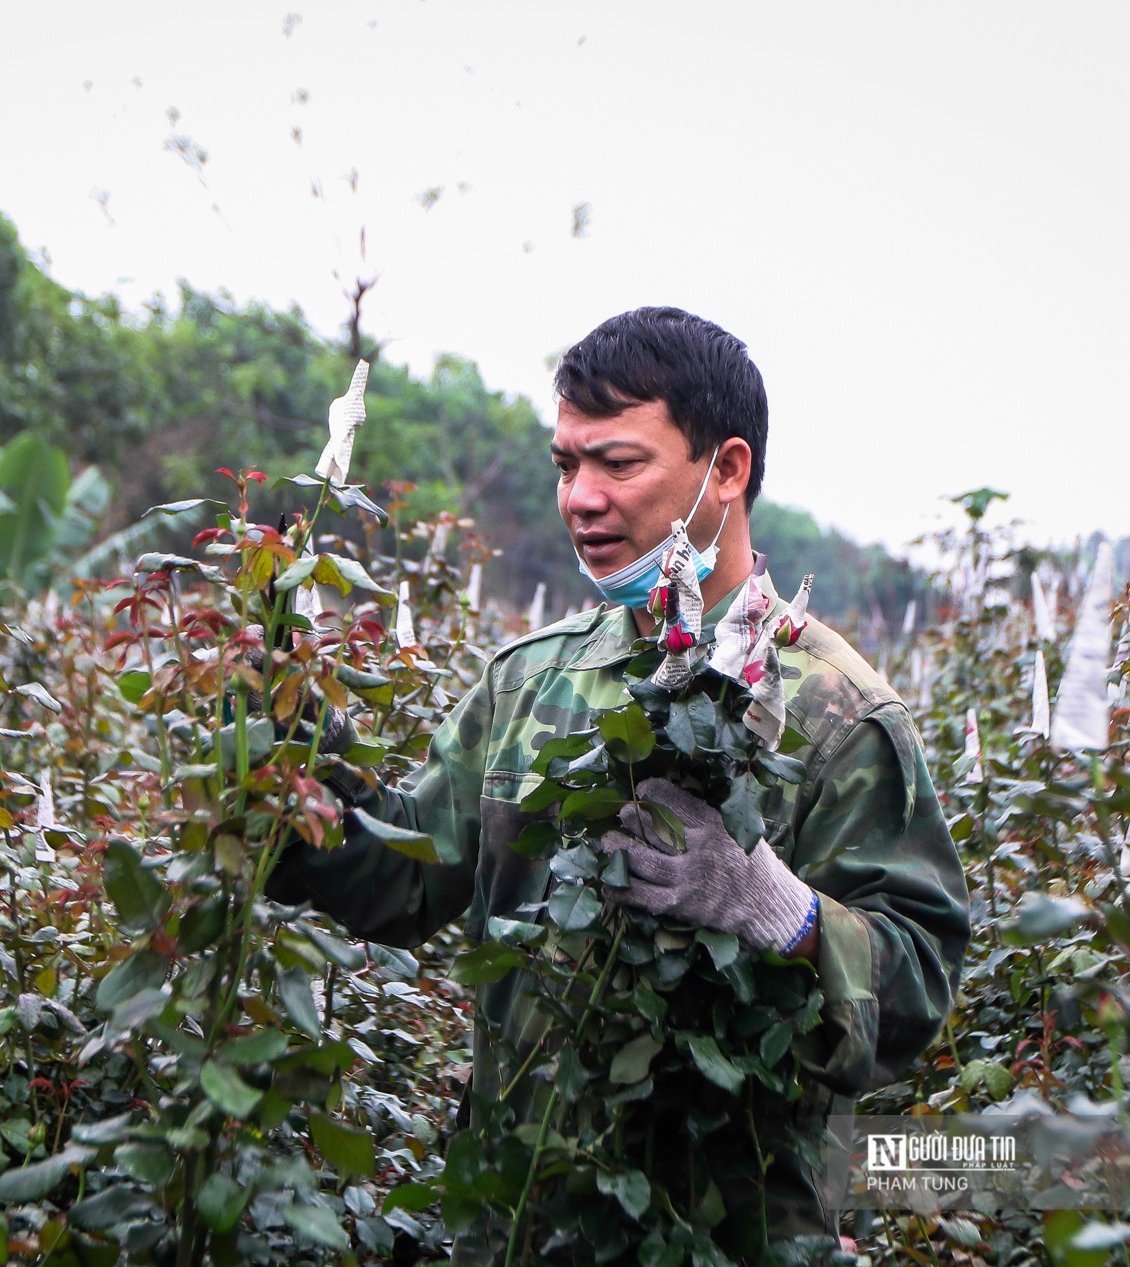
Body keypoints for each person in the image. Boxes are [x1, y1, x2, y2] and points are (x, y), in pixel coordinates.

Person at [268, 306, 970, 1262]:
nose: (581, 499)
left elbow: (918, 986)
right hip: (515, 1225)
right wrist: (294, 758)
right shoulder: (531, 684)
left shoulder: (837, 715)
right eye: (566, 466)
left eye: (618, 463)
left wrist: (779, 909)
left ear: (727, 469)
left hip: (718, 1237)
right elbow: (404, 876)